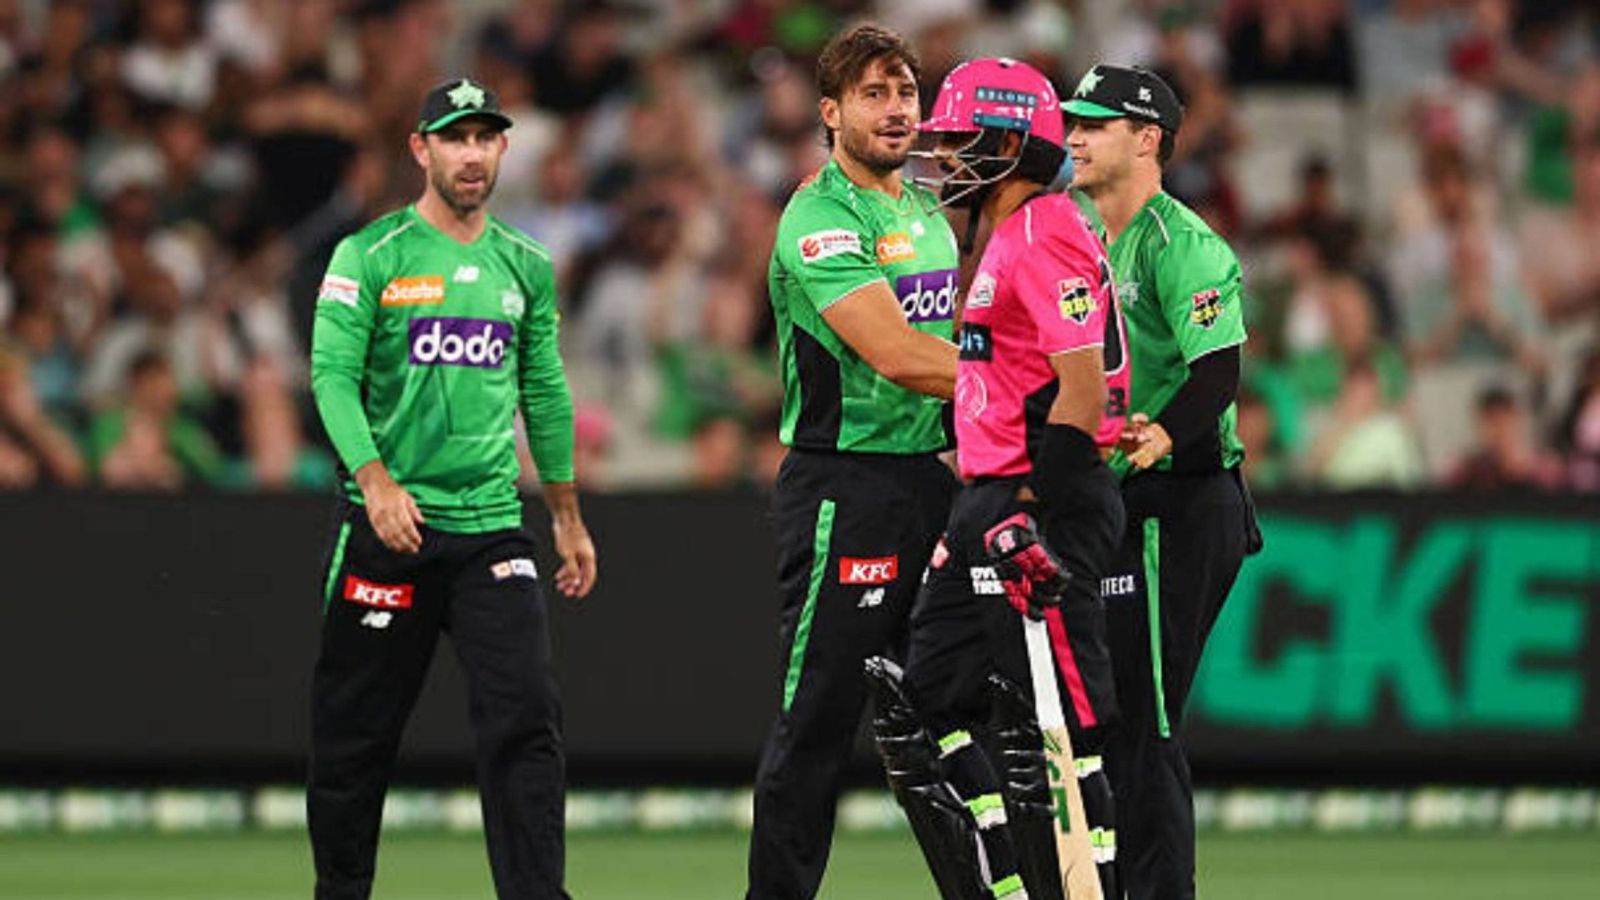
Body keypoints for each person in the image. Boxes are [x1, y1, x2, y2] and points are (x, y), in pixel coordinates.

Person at [307, 77, 597, 900]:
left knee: (526, 719)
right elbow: (330, 376)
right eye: (454, 138)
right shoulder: (370, 255)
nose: (471, 154)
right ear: (421, 150)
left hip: (491, 531)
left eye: (485, 138)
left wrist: (567, 518)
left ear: (504, 148)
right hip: (387, 529)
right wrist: (375, 482)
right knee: (352, 738)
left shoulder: (525, 264)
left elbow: (544, 389)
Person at [870, 57, 1130, 900]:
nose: (944, 156)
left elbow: (1083, 385)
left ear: (1011, 142)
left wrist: (1030, 506)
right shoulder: (1004, 233)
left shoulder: (1045, 226)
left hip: (1037, 492)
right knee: (925, 696)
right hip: (990, 494)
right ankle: (1008, 884)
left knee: (1058, 726)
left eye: (960, 139)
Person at [747, 23, 961, 900]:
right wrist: (1034, 385)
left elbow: (951, 346)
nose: (897, 107)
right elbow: (900, 354)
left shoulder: (927, 209)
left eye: (906, 90)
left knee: (955, 715)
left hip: (933, 482)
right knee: (820, 724)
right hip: (847, 488)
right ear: (831, 114)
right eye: (874, 93)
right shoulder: (820, 216)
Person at [1063, 64, 1262, 900]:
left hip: (1176, 500)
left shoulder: (1185, 244)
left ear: (1147, 139)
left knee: (1143, 720)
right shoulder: (1072, 231)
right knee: (1115, 719)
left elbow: (1218, 374)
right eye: (1072, 120)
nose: (1074, 135)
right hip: (1115, 496)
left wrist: (1156, 435)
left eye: (1096, 123)